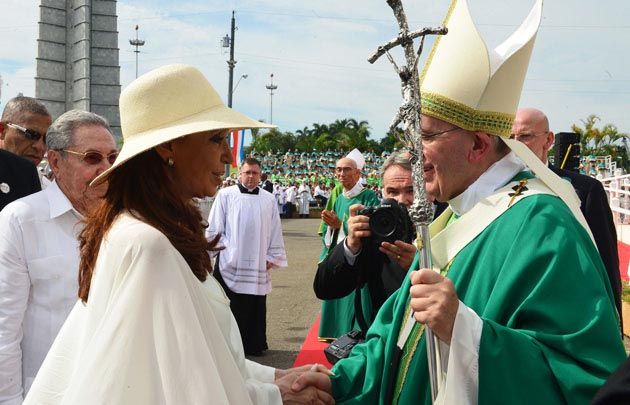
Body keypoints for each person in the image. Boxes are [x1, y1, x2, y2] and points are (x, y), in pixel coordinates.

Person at [293, 1, 624, 403]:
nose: (413, 154)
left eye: (427, 137)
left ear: (479, 144)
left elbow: (586, 380)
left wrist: (464, 331)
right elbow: (393, 334)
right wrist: (341, 380)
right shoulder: (451, 217)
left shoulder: (544, 225)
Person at [24, 65, 333, 405]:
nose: (228, 156)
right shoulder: (147, 242)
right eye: (216, 139)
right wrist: (276, 396)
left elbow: (195, 353)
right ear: (169, 147)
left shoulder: (146, 228)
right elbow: (172, 389)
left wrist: (273, 376)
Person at [0, 110, 116, 403]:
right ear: (55, 162)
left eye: (112, 158)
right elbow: (4, 328)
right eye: (92, 157)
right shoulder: (20, 220)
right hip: (45, 392)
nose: (106, 168)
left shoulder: (125, 222)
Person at [512, 107, 622, 325]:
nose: (515, 144)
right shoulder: (498, 190)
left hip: (571, 312)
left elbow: (605, 259)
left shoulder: (585, 190)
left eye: (524, 137)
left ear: (549, 140)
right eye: (510, 137)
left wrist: (614, 319)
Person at [314, 150, 418, 333]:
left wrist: (418, 264)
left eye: (411, 191)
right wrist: (350, 245)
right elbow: (325, 289)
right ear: (383, 192)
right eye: (392, 192)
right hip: (378, 336)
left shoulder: (444, 225)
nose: (402, 200)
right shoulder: (374, 231)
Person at [207, 157, 288, 356]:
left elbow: (275, 229)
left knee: (255, 304)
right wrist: (230, 249)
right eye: (247, 172)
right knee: (227, 304)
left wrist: (272, 255)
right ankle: (226, 346)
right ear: (239, 174)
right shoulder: (225, 195)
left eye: (255, 173)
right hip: (230, 260)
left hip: (258, 262)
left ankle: (253, 344)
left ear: (260, 175)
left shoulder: (268, 198)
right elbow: (215, 227)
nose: (251, 176)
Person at [318, 149, 380, 341]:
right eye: (338, 170)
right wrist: (332, 228)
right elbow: (330, 235)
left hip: (359, 259)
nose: (341, 174)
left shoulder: (369, 197)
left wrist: (340, 226)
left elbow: (371, 231)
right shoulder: (338, 199)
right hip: (340, 254)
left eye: (346, 170)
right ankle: (337, 334)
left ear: (358, 173)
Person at [0, 96, 52, 171]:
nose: (40, 147)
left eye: (46, 139)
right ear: (2, 130)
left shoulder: (40, 180)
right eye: (30, 134)